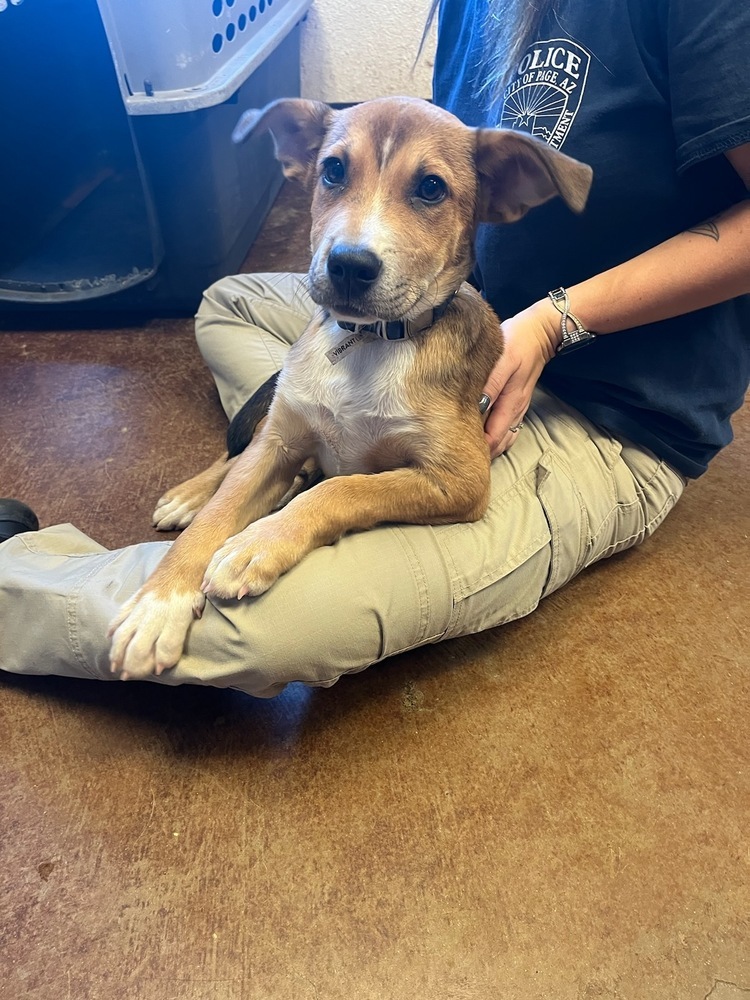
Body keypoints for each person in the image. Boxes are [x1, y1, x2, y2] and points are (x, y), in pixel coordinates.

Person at [1, 0, 748, 696]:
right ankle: (283, 442)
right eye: (334, 173)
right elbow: (406, 155)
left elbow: (460, 485)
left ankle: (21, 588)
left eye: (426, 191)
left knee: (261, 621)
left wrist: (555, 321)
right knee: (229, 303)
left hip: (602, 410)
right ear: (304, 163)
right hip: (398, 318)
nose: (357, 233)